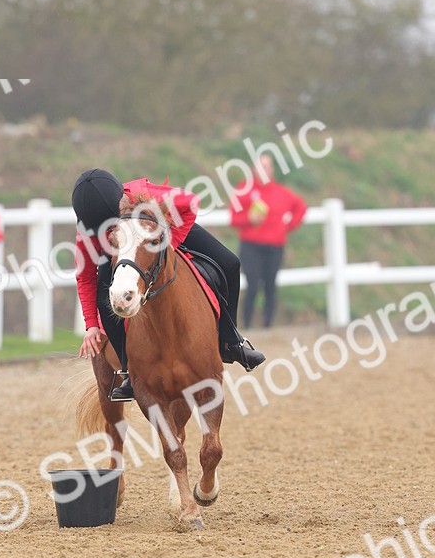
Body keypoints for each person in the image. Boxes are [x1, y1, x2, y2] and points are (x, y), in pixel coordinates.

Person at [72, 168, 265, 401]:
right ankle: (127, 369)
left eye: (110, 225)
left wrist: (167, 245)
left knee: (231, 263)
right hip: (119, 250)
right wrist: (91, 325)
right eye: (100, 230)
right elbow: (85, 277)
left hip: (165, 228)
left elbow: (191, 201)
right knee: (105, 300)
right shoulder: (87, 230)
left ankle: (231, 340)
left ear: (120, 206)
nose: (105, 232)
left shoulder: (147, 195)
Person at [230, 153, 307, 329]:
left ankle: (267, 326)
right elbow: (233, 219)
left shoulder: (281, 192)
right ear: (253, 169)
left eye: (267, 166)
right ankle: (246, 325)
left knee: (270, 286)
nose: (264, 170)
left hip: (275, 247)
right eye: (260, 166)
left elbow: (301, 207)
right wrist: (249, 220)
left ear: (272, 169)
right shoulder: (244, 190)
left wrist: (287, 227)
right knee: (252, 286)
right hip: (251, 246)